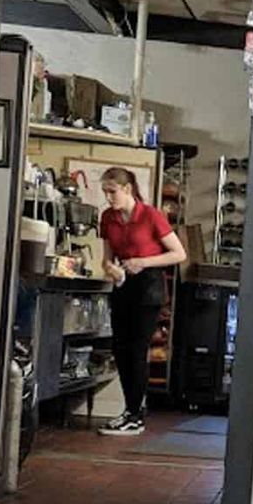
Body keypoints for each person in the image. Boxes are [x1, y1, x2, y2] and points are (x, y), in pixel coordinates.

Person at [98, 167, 186, 436]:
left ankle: (135, 415)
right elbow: (106, 258)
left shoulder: (151, 215)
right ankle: (130, 410)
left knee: (137, 350)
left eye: (112, 191)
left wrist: (144, 262)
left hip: (148, 286)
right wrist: (110, 269)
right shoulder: (107, 217)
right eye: (105, 192)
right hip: (123, 283)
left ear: (127, 189)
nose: (108, 197)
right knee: (120, 349)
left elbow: (179, 254)